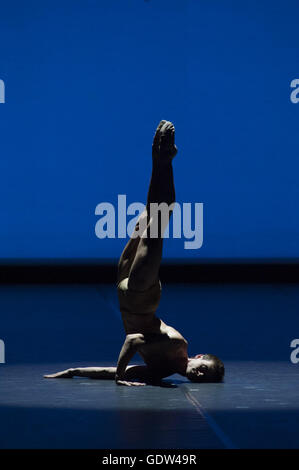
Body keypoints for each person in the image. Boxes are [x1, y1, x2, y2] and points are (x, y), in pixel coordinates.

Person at [44, 120, 224, 386]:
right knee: (162, 215)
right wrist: (119, 377)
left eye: (202, 377)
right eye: (202, 368)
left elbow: (118, 371)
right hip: (142, 293)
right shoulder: (177, 344)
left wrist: (75, 370)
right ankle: (163, 159)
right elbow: (132, 340)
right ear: (198, 356)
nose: (197, 374)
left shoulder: (161, 372)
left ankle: (160, 158)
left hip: (123, 287)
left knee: (151, 214)